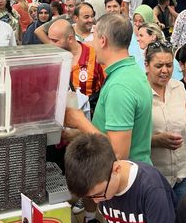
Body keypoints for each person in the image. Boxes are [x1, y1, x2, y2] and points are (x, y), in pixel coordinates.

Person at [64, 134, 177, 223]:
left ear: (116, 169)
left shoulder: (151, 190)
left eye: (98, 194)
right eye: (90, 197)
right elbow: (114, 222)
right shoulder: (104, 188)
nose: (97, 202)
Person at [64, 14, 153, 163]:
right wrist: (79, 134)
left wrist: (80, 121)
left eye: (94, 36)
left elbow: (118, 154)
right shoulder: (131, 71)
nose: (91, 43)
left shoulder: (119, 86)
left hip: (126, 178)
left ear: (103, 40)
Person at [47, 18, 106, 223]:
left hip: (85, 128)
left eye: (55, 40)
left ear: (70, 38)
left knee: (86, 173)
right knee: (59, 170)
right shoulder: (51, 56)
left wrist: (87, 125)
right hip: (58, 129)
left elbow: (102, 90)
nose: (50, 43)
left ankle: (90, 216)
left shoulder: (93, 56)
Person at [146, 41, 186, 202]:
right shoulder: (139, 93)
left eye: (169, 65)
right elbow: (128, 138)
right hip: (155, 178)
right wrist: (155, 141)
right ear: (146, 66)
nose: (165, 70)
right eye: (159, 66)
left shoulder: (179, 88)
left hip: (183, 175)